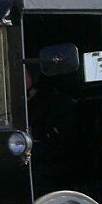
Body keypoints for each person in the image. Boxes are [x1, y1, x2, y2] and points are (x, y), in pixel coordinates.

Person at [24, 65, 80, 195]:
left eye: (23, 74)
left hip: (56, 166)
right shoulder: (21, 103)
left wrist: (29, 149)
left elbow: (60, 145)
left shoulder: (58, 103)